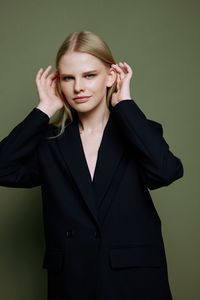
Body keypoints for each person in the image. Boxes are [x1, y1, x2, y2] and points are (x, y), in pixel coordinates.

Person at [0, 31, 183, 300]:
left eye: (89, 75)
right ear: (57, 83)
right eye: (68, 78)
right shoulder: (50, 142)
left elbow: (166, 172)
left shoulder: (138, 131)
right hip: (73, 280)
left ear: (111, 76)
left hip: (134, 280)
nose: (78, 88)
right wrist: (43, 110)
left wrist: (126, 106)